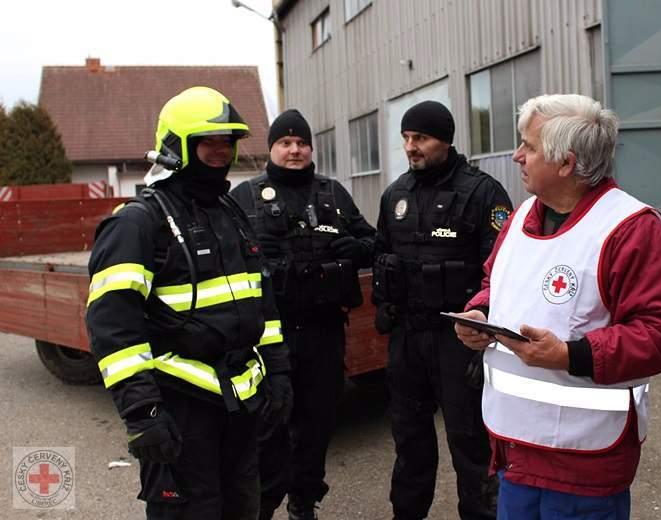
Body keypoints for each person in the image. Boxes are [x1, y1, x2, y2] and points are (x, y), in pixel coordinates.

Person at [454, 94, 661, 519]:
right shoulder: (522, 215)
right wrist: (480, 315)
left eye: (529, 146)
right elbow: (497, 282)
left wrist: (570, 354)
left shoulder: (631, 229)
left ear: (566, 163)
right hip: (515, 451)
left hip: (585, 463)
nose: (516, 156)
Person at [85, 86, 291, 520]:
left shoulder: (231, 213)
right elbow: (112, 326)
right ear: (176, 145)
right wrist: (142, 411)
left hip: (240, 404)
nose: (220, 152)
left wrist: (278, 372)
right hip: (179, 409)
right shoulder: (139, 222)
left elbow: (262, 304)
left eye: (227, 142)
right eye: (207, 141)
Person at [231, 109, 376, 520]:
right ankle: (259, 506)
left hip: (325, 332)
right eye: (285, 143)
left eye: (301, 143)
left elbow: (371, 241)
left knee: (317, 427)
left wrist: (357, 248)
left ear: (310, 147)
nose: (294, 150)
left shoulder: (332, 193)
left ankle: (303, 502)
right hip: (269, 337)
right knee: (266, 429)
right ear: (272, 148)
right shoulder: (245, 197)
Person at [373, 100, 513, 520]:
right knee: (409, 442)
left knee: (471, 445)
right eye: (407, 138)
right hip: (408, 341)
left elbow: (503, 268)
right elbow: (382, 252)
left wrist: (487, 334)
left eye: (421, 138)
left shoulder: (481, 192)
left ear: (445, 141)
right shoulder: (396, 193)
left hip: (459, 342)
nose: (411, 147)